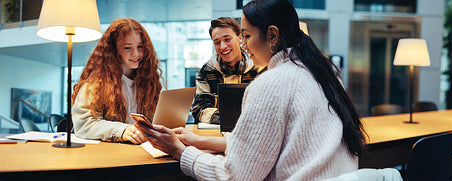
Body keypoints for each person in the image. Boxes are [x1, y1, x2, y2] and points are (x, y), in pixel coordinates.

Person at [136, 0, 366, 180]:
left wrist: (179, 151)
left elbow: (234, 175)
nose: (243, 45)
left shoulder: (270, 83)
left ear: (273, 35)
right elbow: (272, 143)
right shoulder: (325, 74)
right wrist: (201, 141)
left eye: (245, 36)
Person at [72, 18, 163, 144]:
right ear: (113, 49)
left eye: (140, 47)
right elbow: (84, 124)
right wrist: (122, 131)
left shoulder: (147, 79)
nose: (136, 54)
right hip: (108, 155)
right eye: (127, 48)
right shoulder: (96, 82)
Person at [190, 17, 263, 124]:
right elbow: (199, 108)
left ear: (240, 38)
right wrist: (226, 118)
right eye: (217, 42)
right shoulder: (207, 70)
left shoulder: (259, 67)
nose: (223, 46)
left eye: (227, 39)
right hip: (215, 133)